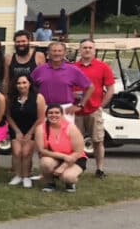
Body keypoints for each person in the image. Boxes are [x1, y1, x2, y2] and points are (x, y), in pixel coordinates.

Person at [72, 39, 116, 178]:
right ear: (80, 50)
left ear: (94, 50)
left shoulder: (103, 67)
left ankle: (99, 169)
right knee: (75, 142)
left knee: (98, 141)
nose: (87, 50)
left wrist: (101, 105)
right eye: (84, 47)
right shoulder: (73, 67)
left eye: (90, 47)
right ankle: (76, 168)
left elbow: (110, 89)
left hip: (94, 110)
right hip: (76, 110)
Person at [31, 42, 92, 123]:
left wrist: (80, 105)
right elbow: (30, 87)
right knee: (45, 134)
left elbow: (90, 87)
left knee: (66, 135)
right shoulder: (39, 70)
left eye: (59, 51)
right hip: (44, 108)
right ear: (48, 53)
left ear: (64, 53)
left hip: (65, 109)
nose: (57, 53)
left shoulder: (72, 70)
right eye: (54, 51)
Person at [6, 74, 46, 188]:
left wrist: (30, 133)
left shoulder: (38, 97)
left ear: (29, 83)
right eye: (18, 83)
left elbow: (41, 118)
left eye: (24, 82)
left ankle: (26, 176)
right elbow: (8, 116)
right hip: (16, 128)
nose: (21, 85)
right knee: (17, 152)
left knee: (26, 153)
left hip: (32, 128)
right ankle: (18, 175)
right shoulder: (11, 98)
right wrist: (17, 131)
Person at [36, 105, 86, 192]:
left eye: (57, 113)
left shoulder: (71, 128)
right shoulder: (40, 128)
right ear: (46, 115)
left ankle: (69, 183)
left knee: (68, 177)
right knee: (45, 163)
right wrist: (63, 157)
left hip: (75, 158)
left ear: (62, 115)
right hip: (54, 157)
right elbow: (41, 150)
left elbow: (78, 151)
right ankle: (50, 183)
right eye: (50, 113)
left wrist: (63, 166)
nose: (53, 115)